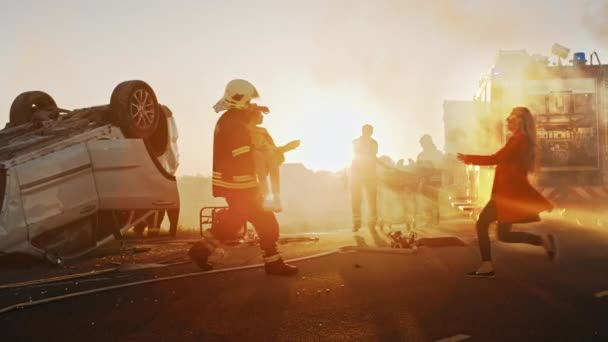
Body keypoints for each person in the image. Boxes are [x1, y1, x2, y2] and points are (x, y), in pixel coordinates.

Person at [188, 79, 298, 276]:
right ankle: (273, 263)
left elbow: (245, 119)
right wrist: (273, 155)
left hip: (233, 183)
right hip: (241, 184)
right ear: (241, 100)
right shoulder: (235, 125)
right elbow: (246, 156)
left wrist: (255, 110)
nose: (251, 105)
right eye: (249, 101)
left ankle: (200, 251)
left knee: (234, 222)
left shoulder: (230, 118)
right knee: (267, 223)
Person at [457, 106, 557, 278]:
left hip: (505, 195)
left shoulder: (519, 140)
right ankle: (542, 241)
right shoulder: (521, 139)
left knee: (482, 224)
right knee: (503, 235)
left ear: (520, 120)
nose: (507, 120)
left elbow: (495, 158)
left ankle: (486, 265)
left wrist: (468, 159)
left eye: (511, 117)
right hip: (507, 193)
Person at [245, 105, 300, 212]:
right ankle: (267, 198)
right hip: (253, 153)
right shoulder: (245, 129)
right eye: (260, 115)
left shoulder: (263, 130)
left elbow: (272, 148)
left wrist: (287, 147)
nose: (262, 117)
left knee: (270, 157)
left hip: (266, 152)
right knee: (259, 160)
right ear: (253, 115)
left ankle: (276, 196)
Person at [351, 124, 378, 232]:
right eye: (366, 131)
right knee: (356, 199)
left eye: (370, 131)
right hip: (358, 173)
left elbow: (373, 156)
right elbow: (357, 154)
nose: (368, 133)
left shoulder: (374, 143)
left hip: (370, 174)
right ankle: (356, 223)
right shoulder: (355, 141)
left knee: (372, 199)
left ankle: (372, 222)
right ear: (363, 131)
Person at [416, 134, 444, 226]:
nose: (422, 145)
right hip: (424, 182)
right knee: (426, 201)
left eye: (423, 143)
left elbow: (441, 168)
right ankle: (429, 219)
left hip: (434, 181)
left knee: (434, 200)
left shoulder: (437, 154)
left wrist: (430, 171)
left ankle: (435, 220)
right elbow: (418, 169)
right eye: (421, 144)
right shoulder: (421, 155)